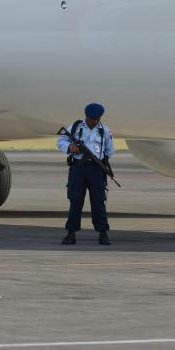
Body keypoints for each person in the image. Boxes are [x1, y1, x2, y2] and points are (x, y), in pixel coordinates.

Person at [57, 103, 115, 246]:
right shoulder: (76, 127)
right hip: (78, 169)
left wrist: (100, 162)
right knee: (75, 201)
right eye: (92, 119)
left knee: (99, 202)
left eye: (97, 118)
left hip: (96, 169)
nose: (95, 121)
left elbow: (109, 151)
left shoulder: (104, 131)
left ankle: (103, 233)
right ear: (87, 117)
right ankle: (71, 233)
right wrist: (70, 147)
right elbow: (61, 141)